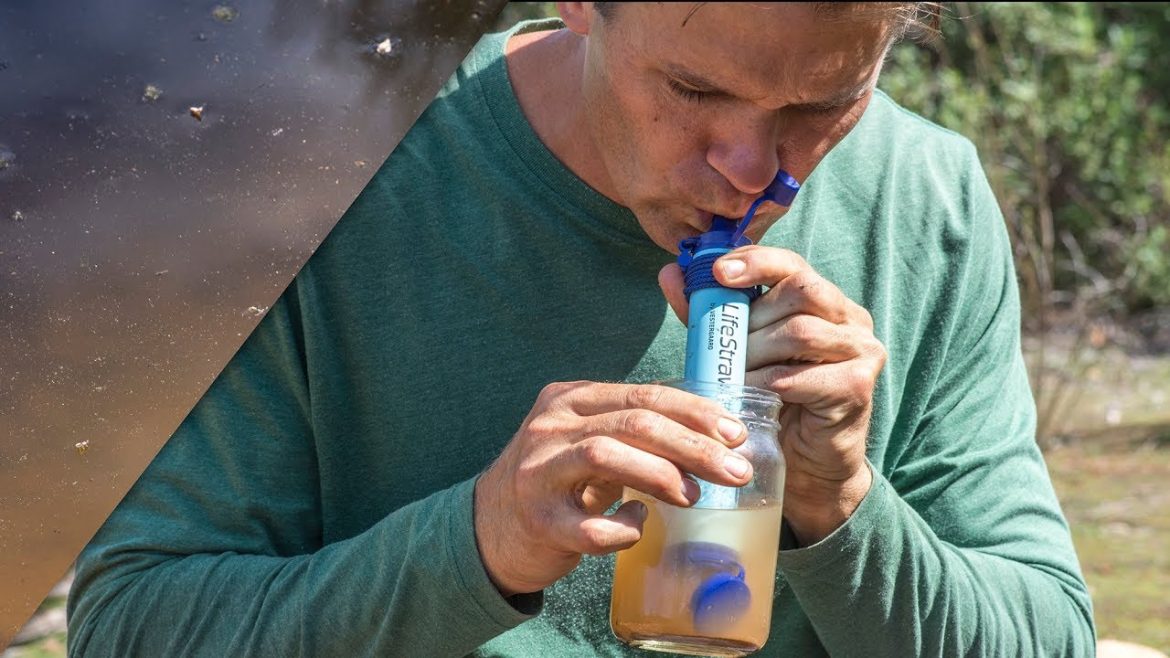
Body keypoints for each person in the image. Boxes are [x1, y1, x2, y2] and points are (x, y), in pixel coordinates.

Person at [67, 2, 1096, 656]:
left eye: (826, 103)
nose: (752, 170)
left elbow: (1049, 634)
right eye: (695, 89)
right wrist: (476, 543)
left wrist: (842, 508)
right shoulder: (314, 183)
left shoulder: (927, 195)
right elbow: (132, 626)